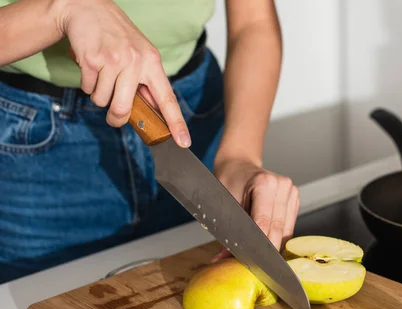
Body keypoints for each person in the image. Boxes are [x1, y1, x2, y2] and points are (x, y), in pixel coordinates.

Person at [0, 0, 300, 284]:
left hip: (194, 122)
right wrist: (62, 10)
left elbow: (253, 22)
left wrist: (239, 154)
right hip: (34, 148)